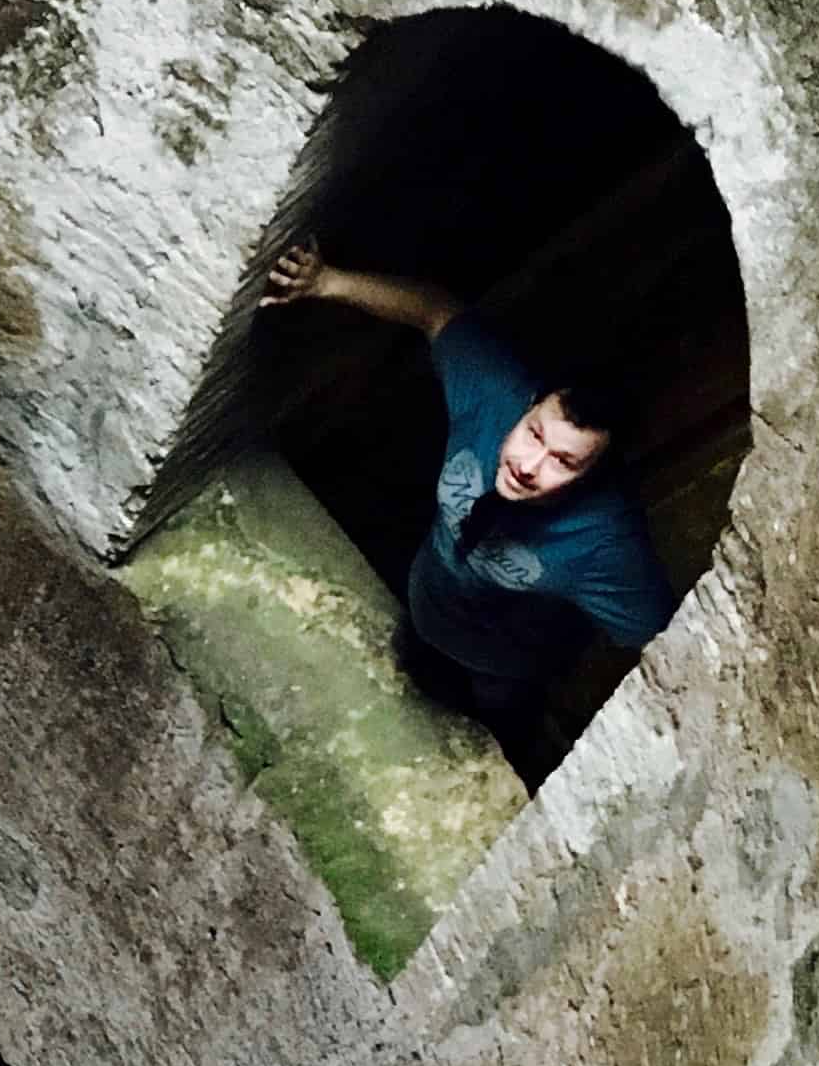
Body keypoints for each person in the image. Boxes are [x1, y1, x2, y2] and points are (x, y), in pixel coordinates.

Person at [258, 244, 677, 755]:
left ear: (594, 475)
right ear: (526, 408)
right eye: (534, 434)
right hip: (424, 593)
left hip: (500, 666)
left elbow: (669, 648)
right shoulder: (494, 392)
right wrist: (328, 281)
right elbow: (436, 312)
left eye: (564, 462)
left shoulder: (607, 546)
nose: (528, 464)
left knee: (494, 724)